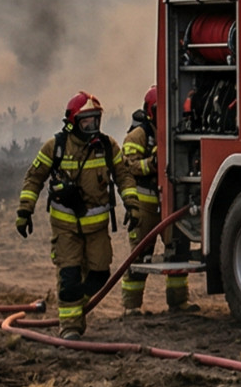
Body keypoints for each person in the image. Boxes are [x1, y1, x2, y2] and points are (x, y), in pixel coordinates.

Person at [17, 92, 122, 339]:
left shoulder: (107, 146)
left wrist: (133, 204)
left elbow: (124, 174)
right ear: (73, 121)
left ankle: (76, 309)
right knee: (69, 276)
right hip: (66, 228)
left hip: (97, 228)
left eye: (95, 120)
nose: (92, 126)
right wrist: (25, 210)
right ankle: (70, 328)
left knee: (100, 274)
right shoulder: (56, 147)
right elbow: (34, 177)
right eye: (86, 120)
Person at [118, 87, 196, 314]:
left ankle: (178, 303)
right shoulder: (138, 135)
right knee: (140, 254)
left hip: (171, 203)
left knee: (177, 252)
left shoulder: (174, 130)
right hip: (146, 205)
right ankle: (131, 308)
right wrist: (151, 164)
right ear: (150, 111)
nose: (163, 115)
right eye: (158, 110)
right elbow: (128, 165)